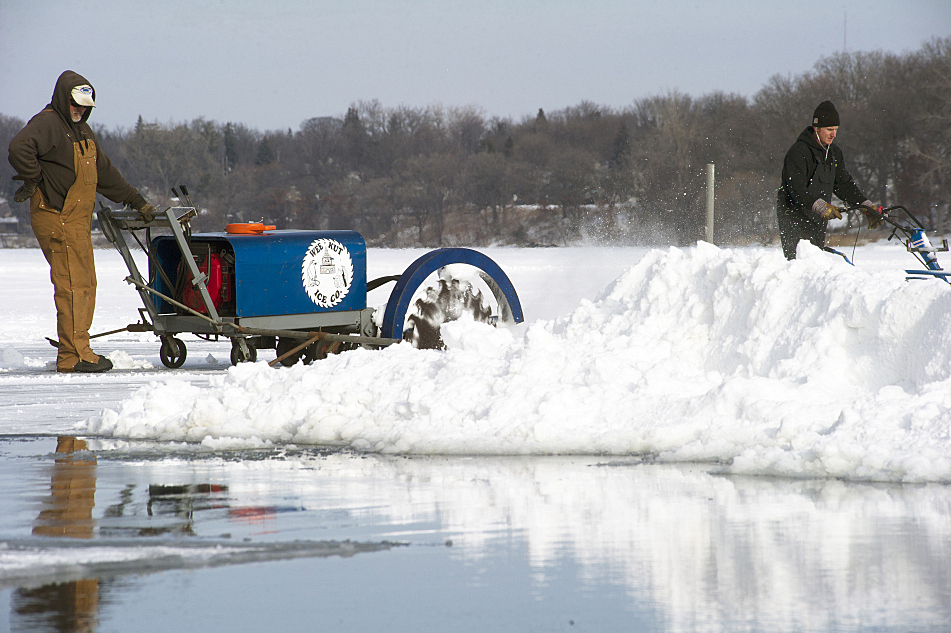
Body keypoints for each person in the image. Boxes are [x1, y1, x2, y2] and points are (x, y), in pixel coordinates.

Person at [8, 70, 157, 373]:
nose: (79, 111)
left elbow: (104, 173)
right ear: (64, 99)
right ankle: (73, 356)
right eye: (75, 105)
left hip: (77, 221)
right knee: (73, 285)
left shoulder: (83, 132)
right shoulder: (49, 123)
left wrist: (136, 200)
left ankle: (78, 349)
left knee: (86, 283)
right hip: (57, 217)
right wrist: (35, 179)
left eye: (85, 107)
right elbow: (18, 148)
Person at [777, 100, 882, 260]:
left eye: (836, 130)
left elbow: (843, 185)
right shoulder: (799, 152)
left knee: (815, 261)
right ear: (816, 128)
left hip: (817, 217)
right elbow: (795, 189)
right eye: (829, 129)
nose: (833, 134)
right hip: (794, 216)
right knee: (799, 262)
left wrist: (865, 206)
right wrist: (819, 206)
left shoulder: (834, 153)